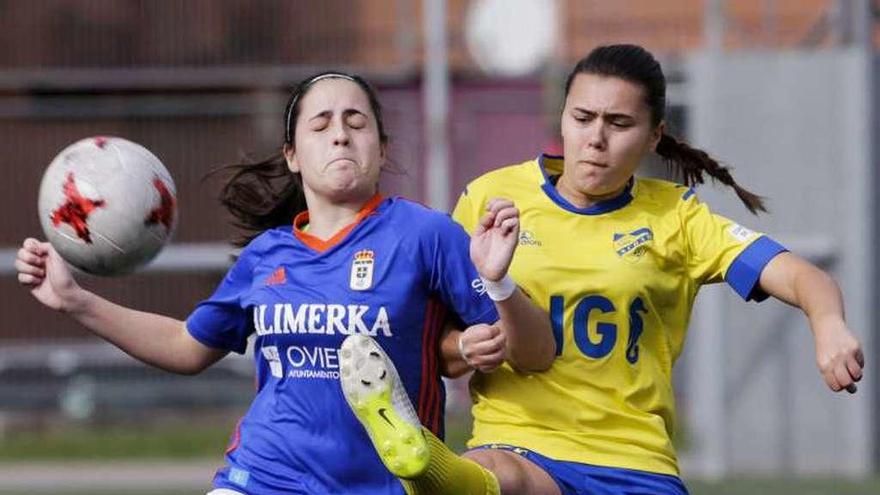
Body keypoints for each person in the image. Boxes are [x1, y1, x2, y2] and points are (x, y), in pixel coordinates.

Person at [340, 44, 866, 495]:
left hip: (635, 461)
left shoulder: (676, 216)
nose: (595, 138)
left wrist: (828, 324)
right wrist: (461, 348)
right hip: (522, 444)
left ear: (655, 134)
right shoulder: (491, 199)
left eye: (618, 123)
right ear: (562, 118)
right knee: (494, 474)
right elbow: (438, 343)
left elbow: (801, 275)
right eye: (582, 117)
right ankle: (423, 464)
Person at [14, 71, 554, 495]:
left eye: (356, 121)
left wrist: (485, 318)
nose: (340, 132)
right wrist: (75, 300)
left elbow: (521, 349)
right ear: (293, 155)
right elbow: (187, 347)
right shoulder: (267, 255)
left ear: (383, 148)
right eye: (320, 124)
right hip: (264, 476)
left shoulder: (426, 234)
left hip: (386, 484)